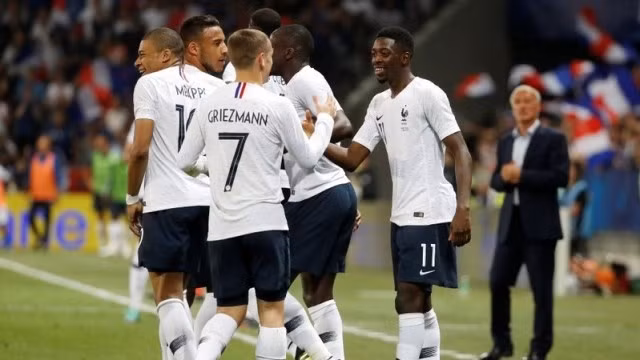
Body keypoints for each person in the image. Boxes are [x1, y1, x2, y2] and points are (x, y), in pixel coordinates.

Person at [176, 28, 336, 360]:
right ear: (263, 59)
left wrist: (211, 167)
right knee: (272, 313)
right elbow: (307, 158)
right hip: (265, 222)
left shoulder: (210, 103)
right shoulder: (276, 106)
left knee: (228, 311)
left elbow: (184, 162)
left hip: (222, 227)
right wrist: (325, 122)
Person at [323, 26, 473, 360]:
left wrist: (463, 208)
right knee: (417, 298)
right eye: (374, 53)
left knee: (409, 296)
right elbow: (352, 157)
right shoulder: (378, 104)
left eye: (384, 53)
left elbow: (461, 150)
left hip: (430, 210)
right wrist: (312, 138)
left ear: (404, 57)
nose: (376, 59)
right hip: (401, 214)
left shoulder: (427, 94)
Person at [127, 25, 226, 360]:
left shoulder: (150, 85)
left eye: (143, 54)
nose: (138, 62)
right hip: (210, 204)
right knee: (188, 292)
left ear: (166, 54)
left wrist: (131, 198)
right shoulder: (216, 85)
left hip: (167, 201)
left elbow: (140, 149)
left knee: (167, 294)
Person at [270, 23, 357, 360]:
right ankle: (323, 352)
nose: (268, 53)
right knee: (316, 293)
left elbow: (345, 125)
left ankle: (308, 349)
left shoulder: (307, 80)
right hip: (327, 192)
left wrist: (310, 132)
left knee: (268, 284)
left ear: (288, 52)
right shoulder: (297, 84)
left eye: (273, 46)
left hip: (318, 195)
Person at [479, 85, 569, 360]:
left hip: (541, 226)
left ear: (538, 106)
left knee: (541, 292)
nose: (523, 105)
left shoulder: (553, 138)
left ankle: (539, 349)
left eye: (529, 101)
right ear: (513, 107)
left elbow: (561, 177)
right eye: (518, 101)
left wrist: (522, 175)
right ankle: (501, 344)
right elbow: (497, 181)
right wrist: (505, 178)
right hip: (511, 223)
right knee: (497, 282)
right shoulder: (506, 141)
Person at [177, 14, 229, 342]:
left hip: (173, 202)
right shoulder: (221, 90)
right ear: (193, 48)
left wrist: (138, 196)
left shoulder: (160, 84)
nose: (225, 50)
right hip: (211, 203)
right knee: (225, 289)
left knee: (175, 292)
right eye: (217, 43)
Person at [28, 135, 62, 250]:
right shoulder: (34, 158)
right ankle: (40, 238)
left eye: (44, 143)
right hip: (36, 194)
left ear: (48, 145)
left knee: (47, 219)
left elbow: (57, 176)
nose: (41, 146)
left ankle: (44, 242)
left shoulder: (53, 158)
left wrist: (57, 192)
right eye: (40, 143)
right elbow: (31, 176)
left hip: (48, 194)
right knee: (30, 217)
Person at [91, 133, 117, 256]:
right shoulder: (95, 156)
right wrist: (90, 183)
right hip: (98, 191)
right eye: (97, 144)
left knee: (114, 216)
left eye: (100, 143)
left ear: (106, 144)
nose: (98, 146)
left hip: (112, 192)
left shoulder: (114, 157)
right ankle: (102, 243)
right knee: (100, 216)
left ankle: (115, 244)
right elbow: (89, 171)